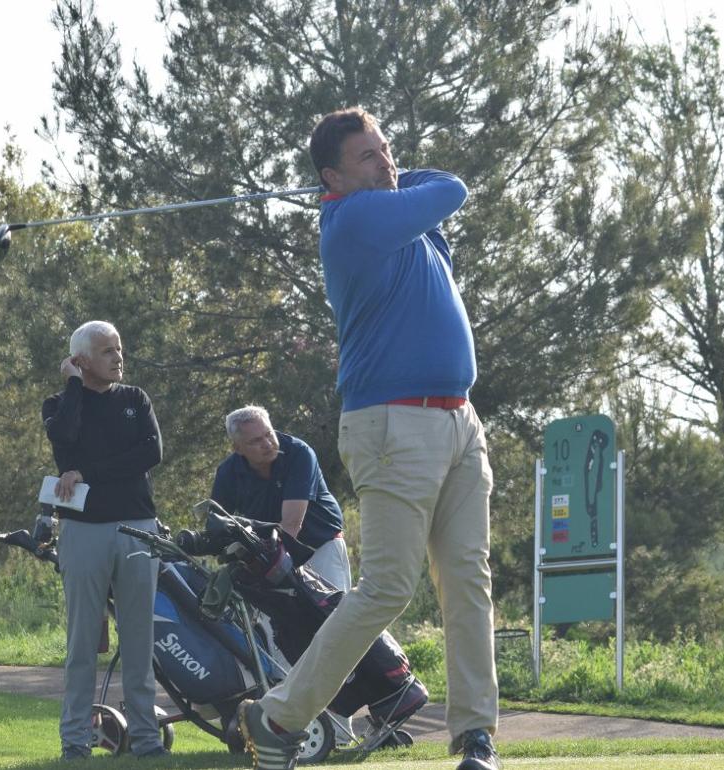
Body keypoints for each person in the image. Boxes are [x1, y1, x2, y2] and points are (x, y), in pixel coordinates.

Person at [235, 108, 500, 770]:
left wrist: (385, 169)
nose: (386, 162)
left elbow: (435, 194)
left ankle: (475, 738)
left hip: (459, 421)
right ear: (332, 178)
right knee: (386, 586)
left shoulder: (398, 219)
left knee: (467, 579)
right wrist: (390, 182)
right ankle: (277, 716)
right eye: (367, 157)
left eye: (388, 150)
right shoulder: (353, 221)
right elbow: (452, 189)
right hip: (392, 422)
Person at [42, 320, 169, 760]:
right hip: (83, 530)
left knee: (139, 640)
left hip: (138, 527)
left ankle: (148, 741)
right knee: (81, 644)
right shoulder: (59, 405)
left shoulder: (136, 399)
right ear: (80, 362)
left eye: (119, 348)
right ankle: (75, 742)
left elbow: (149, 453)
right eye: (106, 351)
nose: (118, 357)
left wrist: (89, 472)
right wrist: (74, 387)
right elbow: (64, 442)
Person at [211, 405, 351, 591]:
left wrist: (267, 565)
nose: (267, 444)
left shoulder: (299, 453)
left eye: (269, 434)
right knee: (272, 620)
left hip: (320, 548)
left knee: (334, 617)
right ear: (237, 448)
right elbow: (217, 521)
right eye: (255, 441)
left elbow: (292, 524)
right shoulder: (228, 472)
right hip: (269, 556)